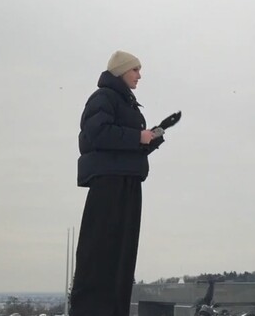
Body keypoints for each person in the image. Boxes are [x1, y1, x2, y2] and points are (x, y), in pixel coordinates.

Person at [70, 50, 167, 316]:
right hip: (109, 183)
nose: (139, 75)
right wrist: (139, 136)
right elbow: (98, 133)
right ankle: (91, 310)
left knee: (122, 254)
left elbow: (122, 145)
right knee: (101, 249)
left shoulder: (127, 102)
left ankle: (114, 310)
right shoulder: (103, 97)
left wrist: (150, 140)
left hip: (128, 180)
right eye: (135, 69)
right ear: (122, 71)